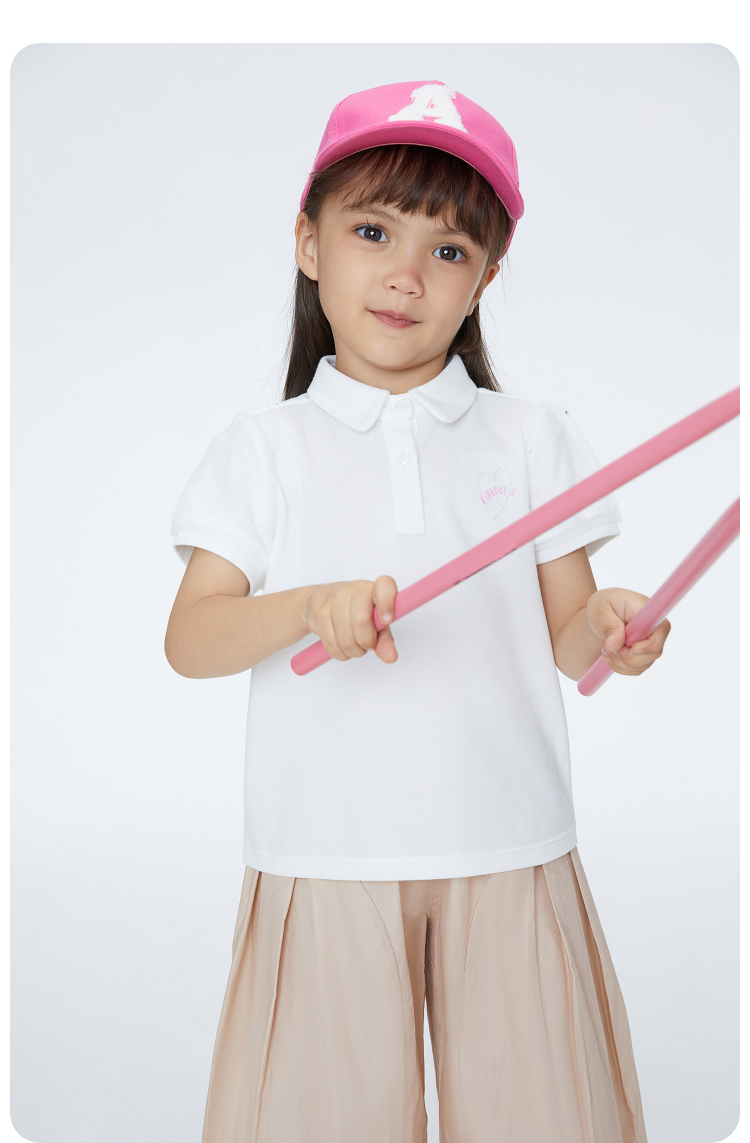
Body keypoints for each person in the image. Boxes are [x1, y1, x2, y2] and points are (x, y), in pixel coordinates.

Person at [165, 79, 670, 1143]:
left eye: (449, 250)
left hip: (510, 842)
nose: (406, 273)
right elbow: (193, 637)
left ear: (485, 279)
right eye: (373, 231)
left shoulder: (531, 436)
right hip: (323, 854)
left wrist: (611, 632)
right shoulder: (263, 448)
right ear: (308, 243)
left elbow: (570, 634)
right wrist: (310, 607)